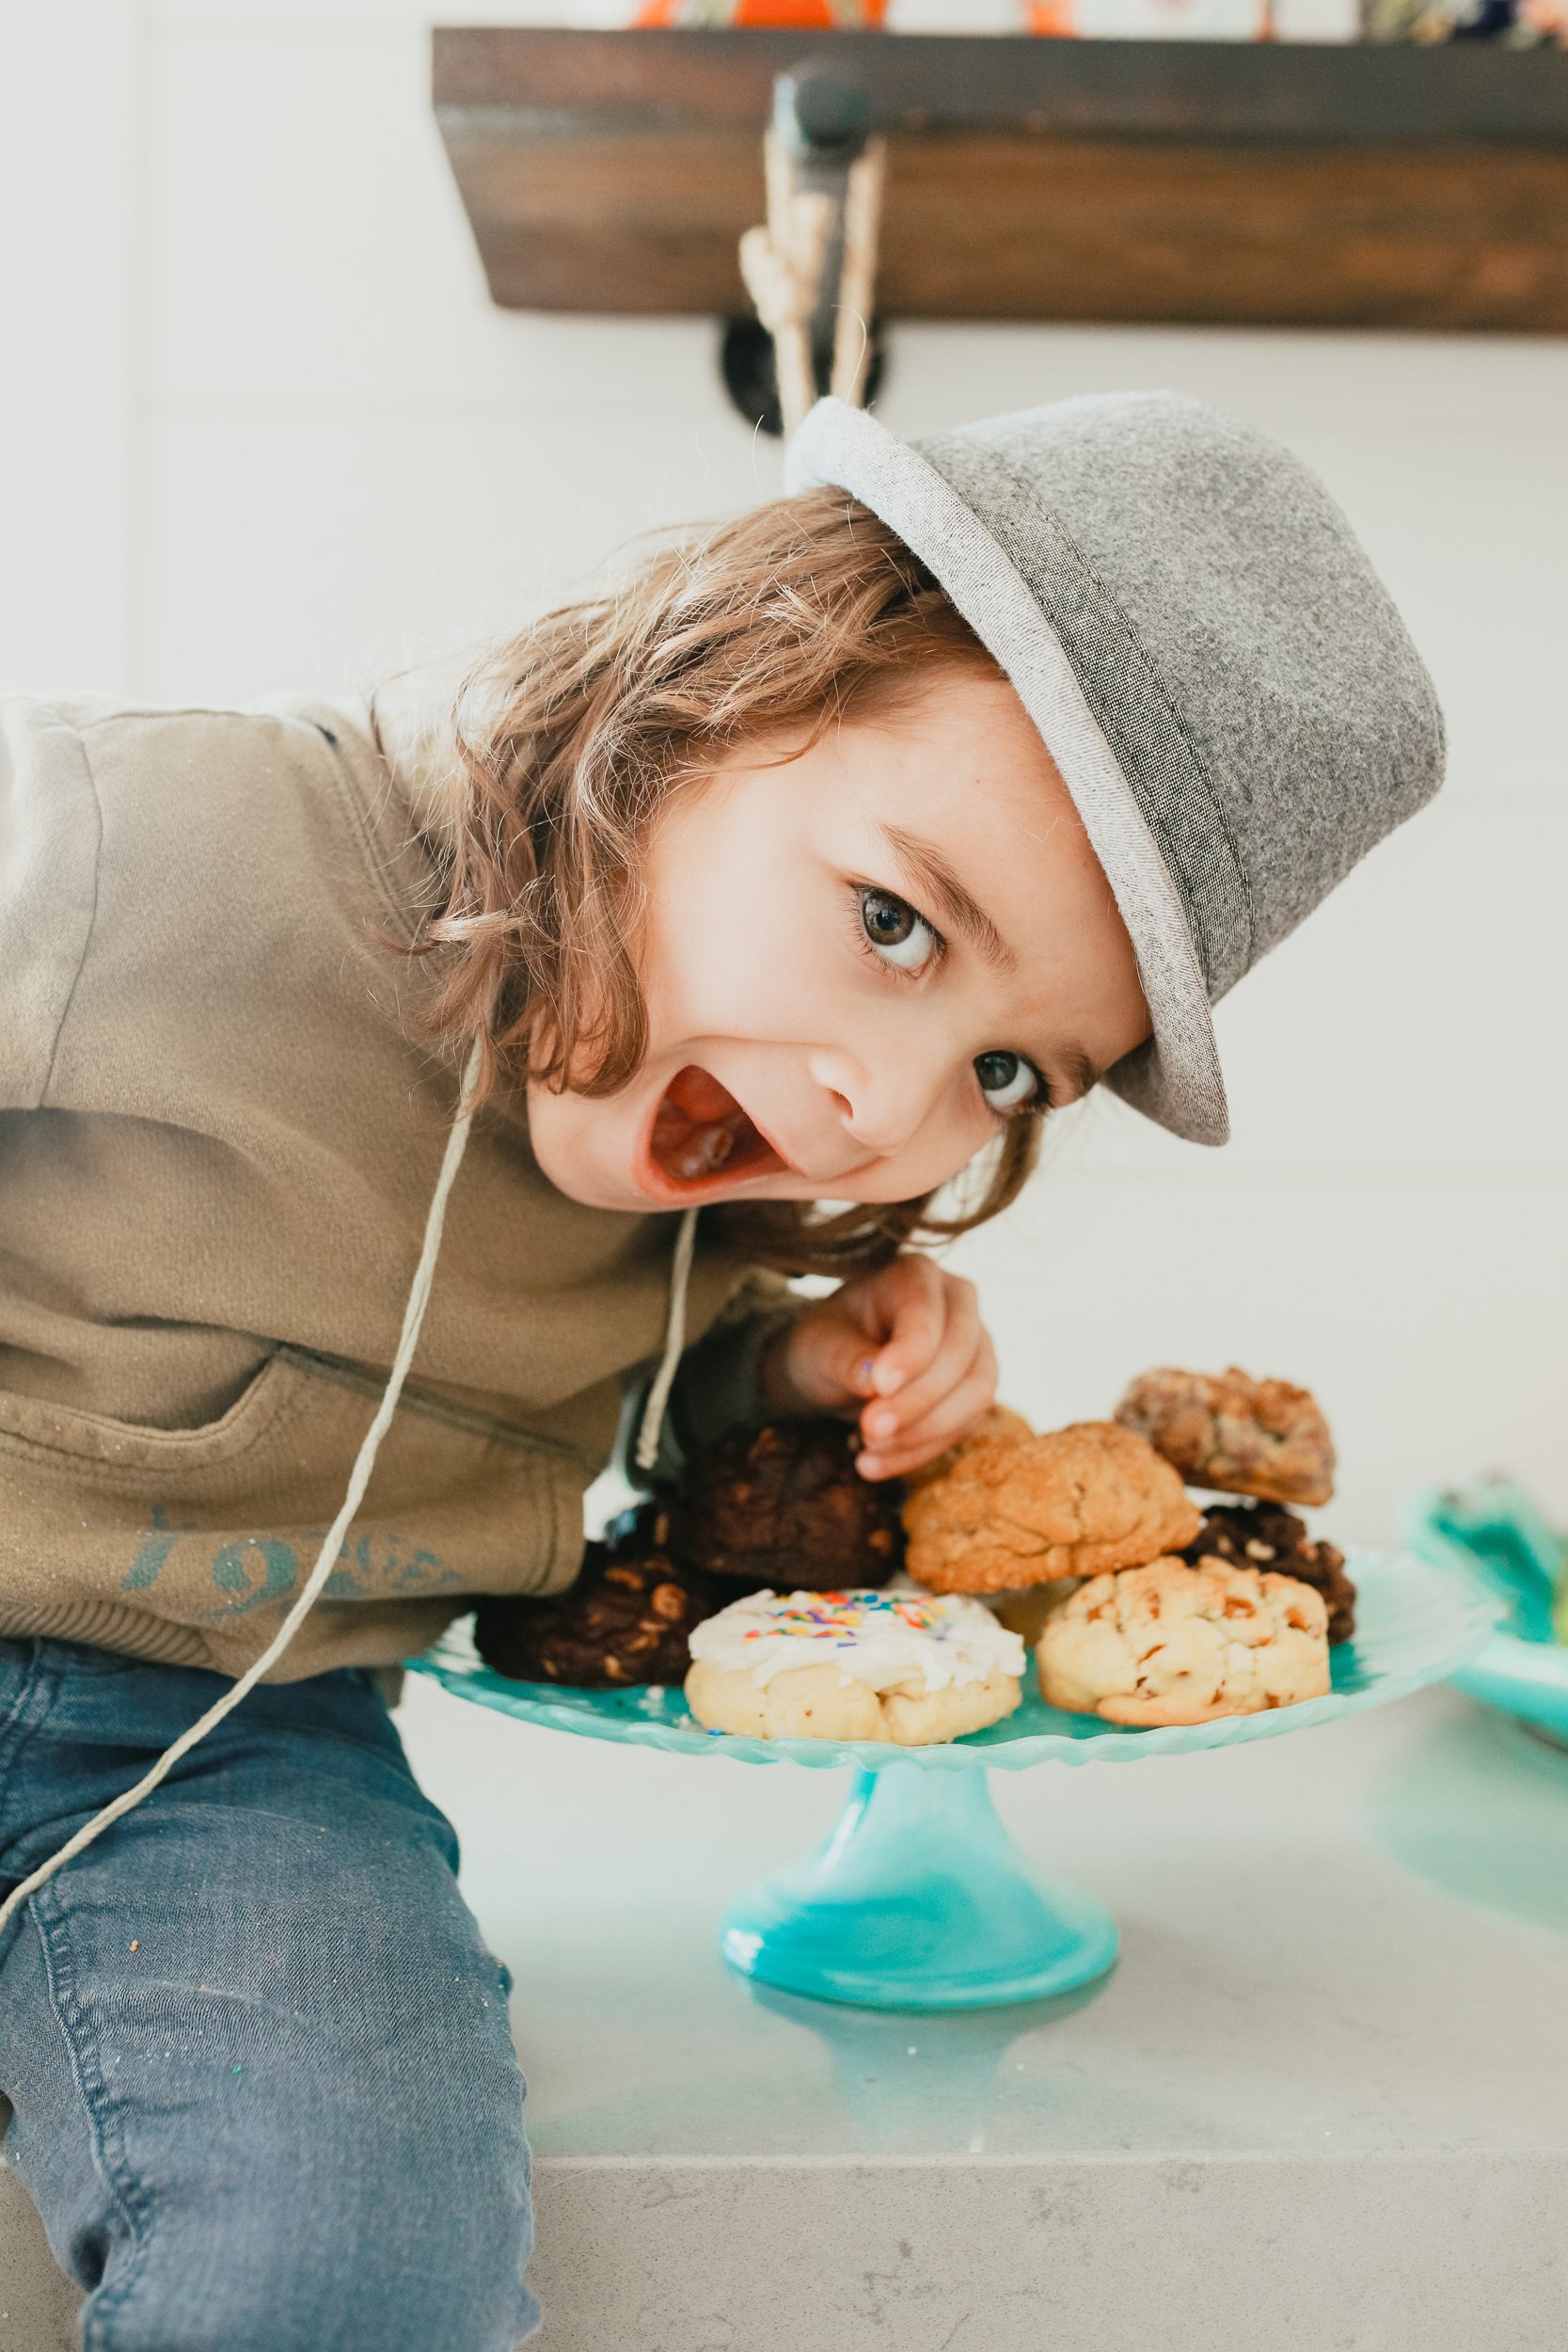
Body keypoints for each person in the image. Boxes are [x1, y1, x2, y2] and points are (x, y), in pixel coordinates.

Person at [0, 390, 1442, 2348]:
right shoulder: (146, 850)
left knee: (358, 2255)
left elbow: (597, 1395)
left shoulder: (695, 1217)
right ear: (712, 689)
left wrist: (789, 1374)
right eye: (895, 922)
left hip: (228, 1767)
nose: (889, 1113)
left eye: (1008, 1072)